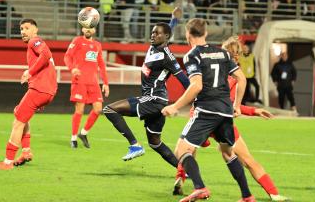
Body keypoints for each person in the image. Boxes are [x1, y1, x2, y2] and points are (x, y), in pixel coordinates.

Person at [170, 34, 289, 202]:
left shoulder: (213, 67)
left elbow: (223, 101)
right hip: (219, 117)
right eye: (232, 52)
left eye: (236, 52)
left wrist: (251, 111)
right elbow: (232, 105)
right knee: (236, 156)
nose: (235, 55)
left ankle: (184, 180)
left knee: (187, 149)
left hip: (205, 116)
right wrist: (252, 111)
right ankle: (263, 194)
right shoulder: (232, 75)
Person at [162, 18, 254, 202]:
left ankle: (200, 187)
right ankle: (247, 196)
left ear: (188, 35)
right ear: (206, 33)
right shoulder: (223, 53)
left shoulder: (192, 55)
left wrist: (175, 106)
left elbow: (195, 86)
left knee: (181, 150)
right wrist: (236, 105)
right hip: (225, 111)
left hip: (207, 110)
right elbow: (242, 79)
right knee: (228, 153)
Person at [103, 22, 190, 165]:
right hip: (155, 101)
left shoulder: (168, 57)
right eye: (152, 32)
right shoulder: (153, 47)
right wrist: (174, 19)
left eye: (157, 33)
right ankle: (185, 171)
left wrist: (198, 97)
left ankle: (135, 145)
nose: (153, 35)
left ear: (166, 37)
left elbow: (184, 81)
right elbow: (166, 28)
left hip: (154, 99)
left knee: (109, 109)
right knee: (155, 143)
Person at [0, 19, 57, 170]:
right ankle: (26, 151)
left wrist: (29, 72)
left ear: (35, 30)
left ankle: (7, 162)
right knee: (19, 113)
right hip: (46, 90)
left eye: (27, 28)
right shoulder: (35, 44)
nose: (23, 31)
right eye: (21, 29)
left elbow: (45, 55)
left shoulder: (35, 41)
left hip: (40, 89)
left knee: (18, 122)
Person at [64, 26, 109, 148]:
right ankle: (73, 138)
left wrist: (105, 82)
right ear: (82, 29)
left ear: (94, 30)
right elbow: (67, 56)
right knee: (79, 110)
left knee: (98, 109)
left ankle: (83, 133)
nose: (88, 30)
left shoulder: (98, 45)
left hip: (94, 83)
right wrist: (72, 68)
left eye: (91, 27)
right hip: (80, 81)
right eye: (86, 27)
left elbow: (101, 65)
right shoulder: (77, 40)